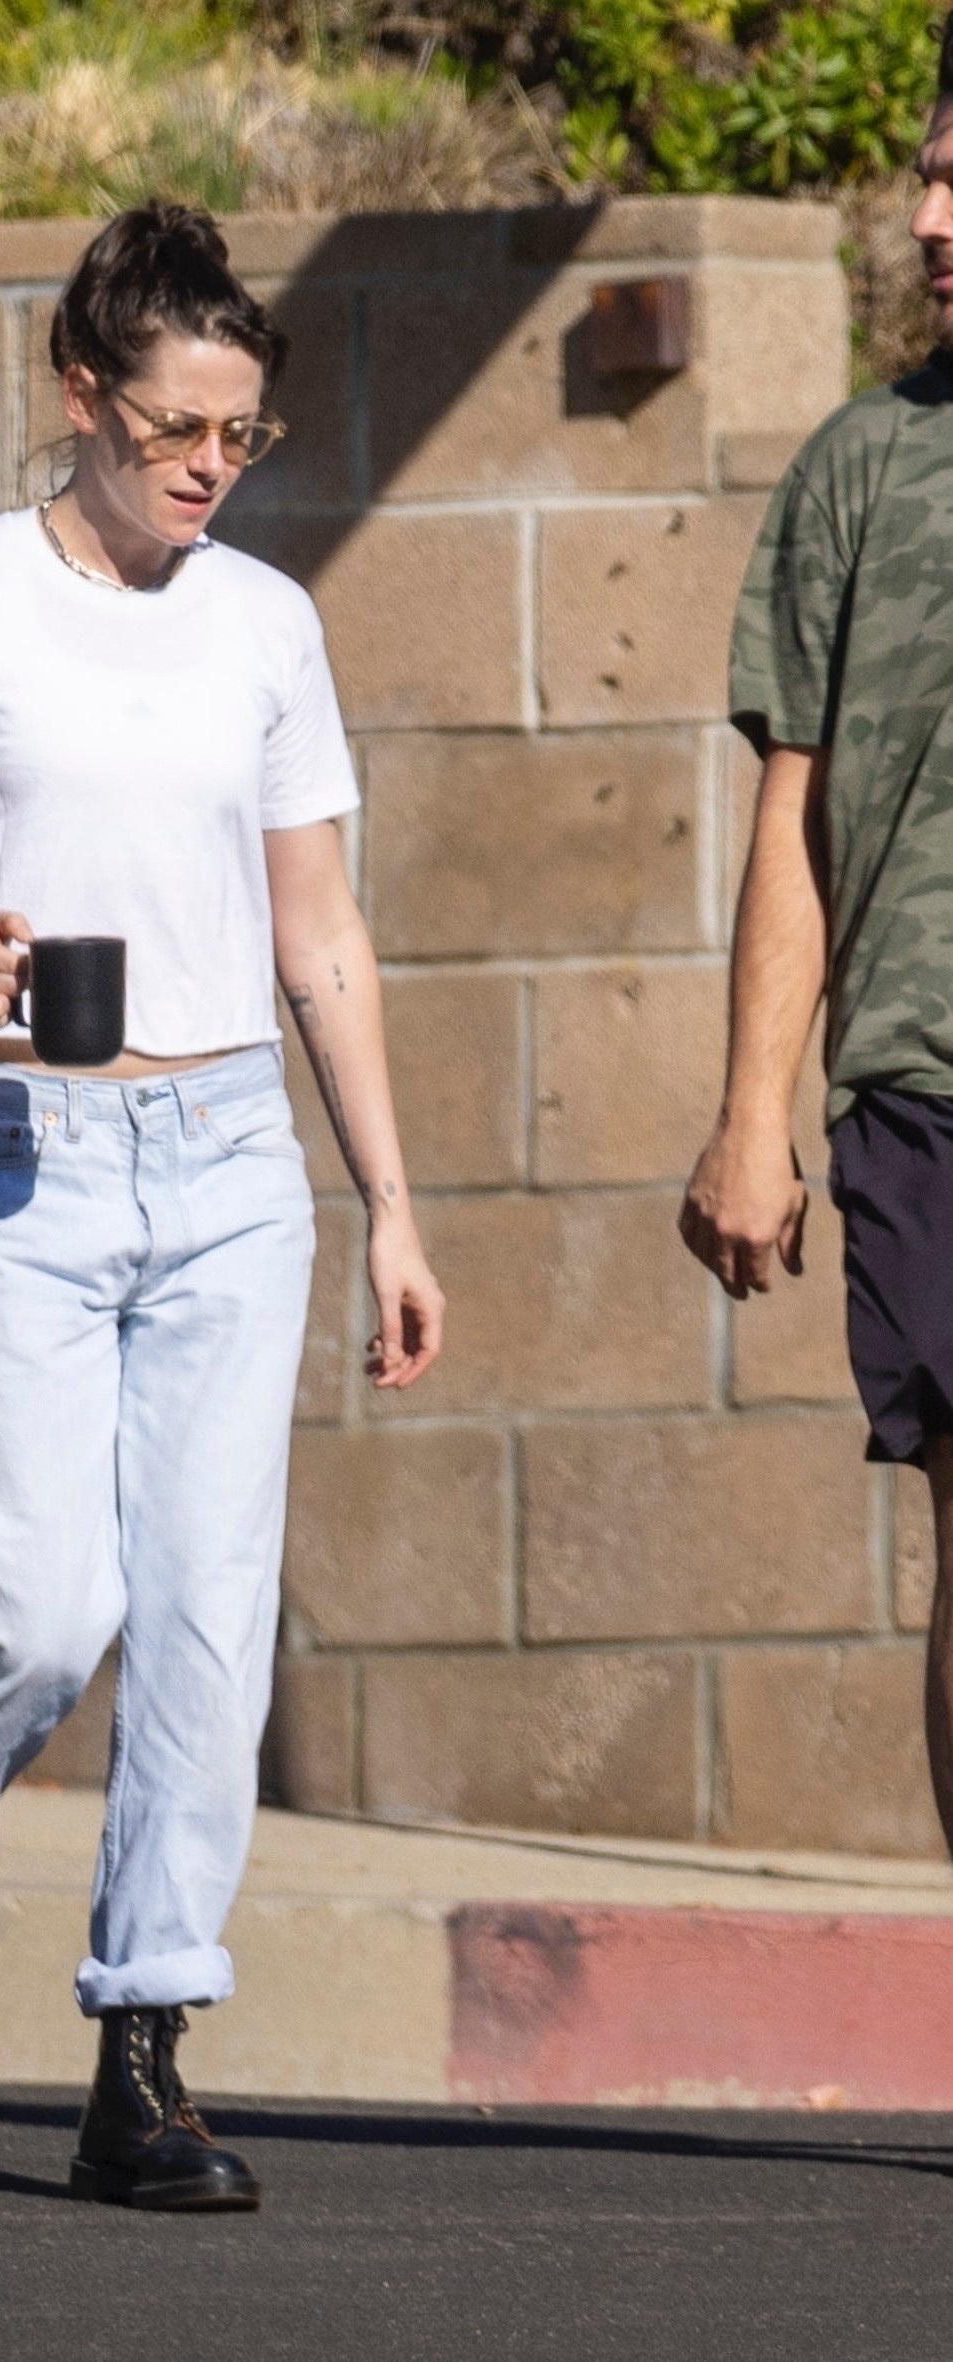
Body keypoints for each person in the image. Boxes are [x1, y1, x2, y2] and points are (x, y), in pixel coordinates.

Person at [0, 203, 444, 2212]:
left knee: (203, 1612)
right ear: (80, 394)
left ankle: (143, 2056)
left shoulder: (264, 626)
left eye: (239, 435)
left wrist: (390, 1202)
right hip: (20, 1147)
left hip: (231, 1158)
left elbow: (318, 929)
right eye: (175, 427)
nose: (207, 466)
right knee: (29, 1601)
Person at [680, 16, 953, 1856]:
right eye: (927, 174)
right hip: (929, 1082)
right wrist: (748, 1114)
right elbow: (796, 808)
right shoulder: (861, 468)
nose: (928, 217)